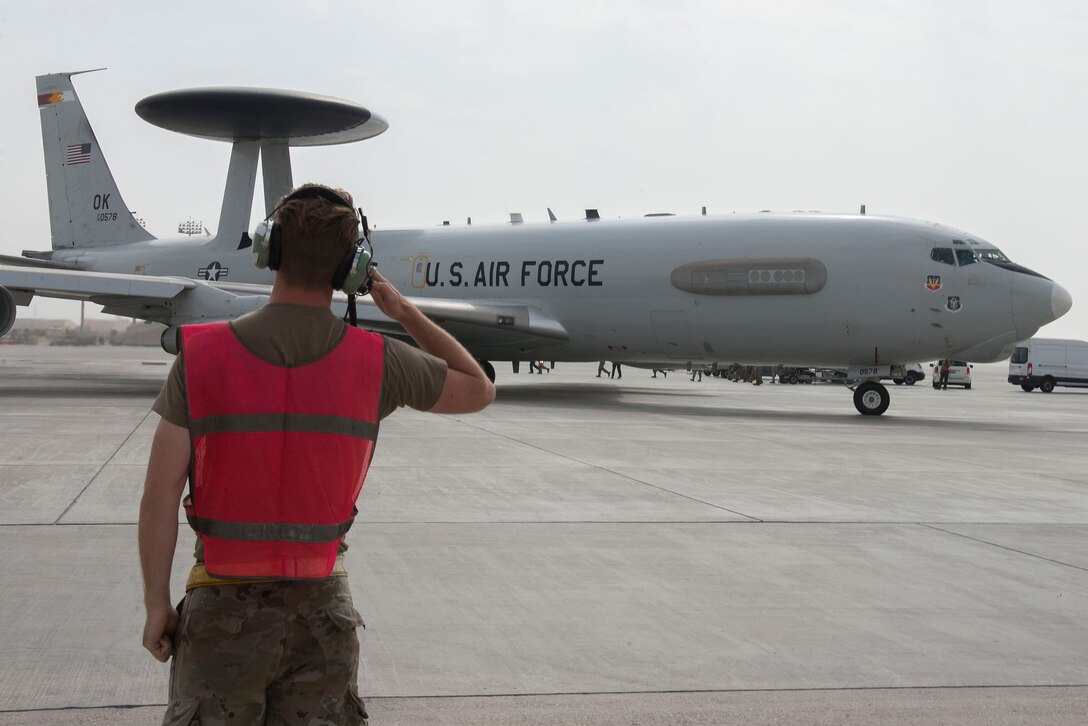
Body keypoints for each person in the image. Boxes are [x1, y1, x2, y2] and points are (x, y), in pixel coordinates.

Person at [138, 184, 495, 725]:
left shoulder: (201, 354)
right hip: (324, 614)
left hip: (219, 611)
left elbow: (160, 494)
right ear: (352, 269)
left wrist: (155, 605)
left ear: (269, 251)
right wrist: (402, 312)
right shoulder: (380, 362)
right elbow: (478, 387)